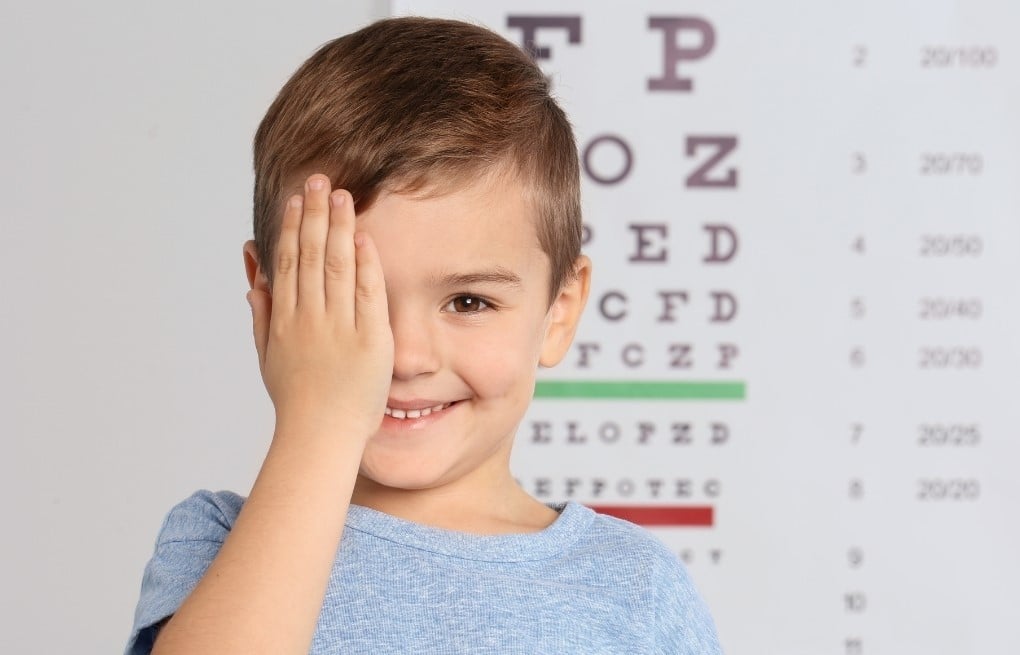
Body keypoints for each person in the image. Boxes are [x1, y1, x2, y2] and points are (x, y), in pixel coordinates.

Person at [125, 16, 722, 654]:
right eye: (353, 297)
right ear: (268, 295)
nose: (404, 356)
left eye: (469, 301)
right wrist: (323, 419)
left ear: (559, 311)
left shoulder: (633, 591)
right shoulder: (216, 542)